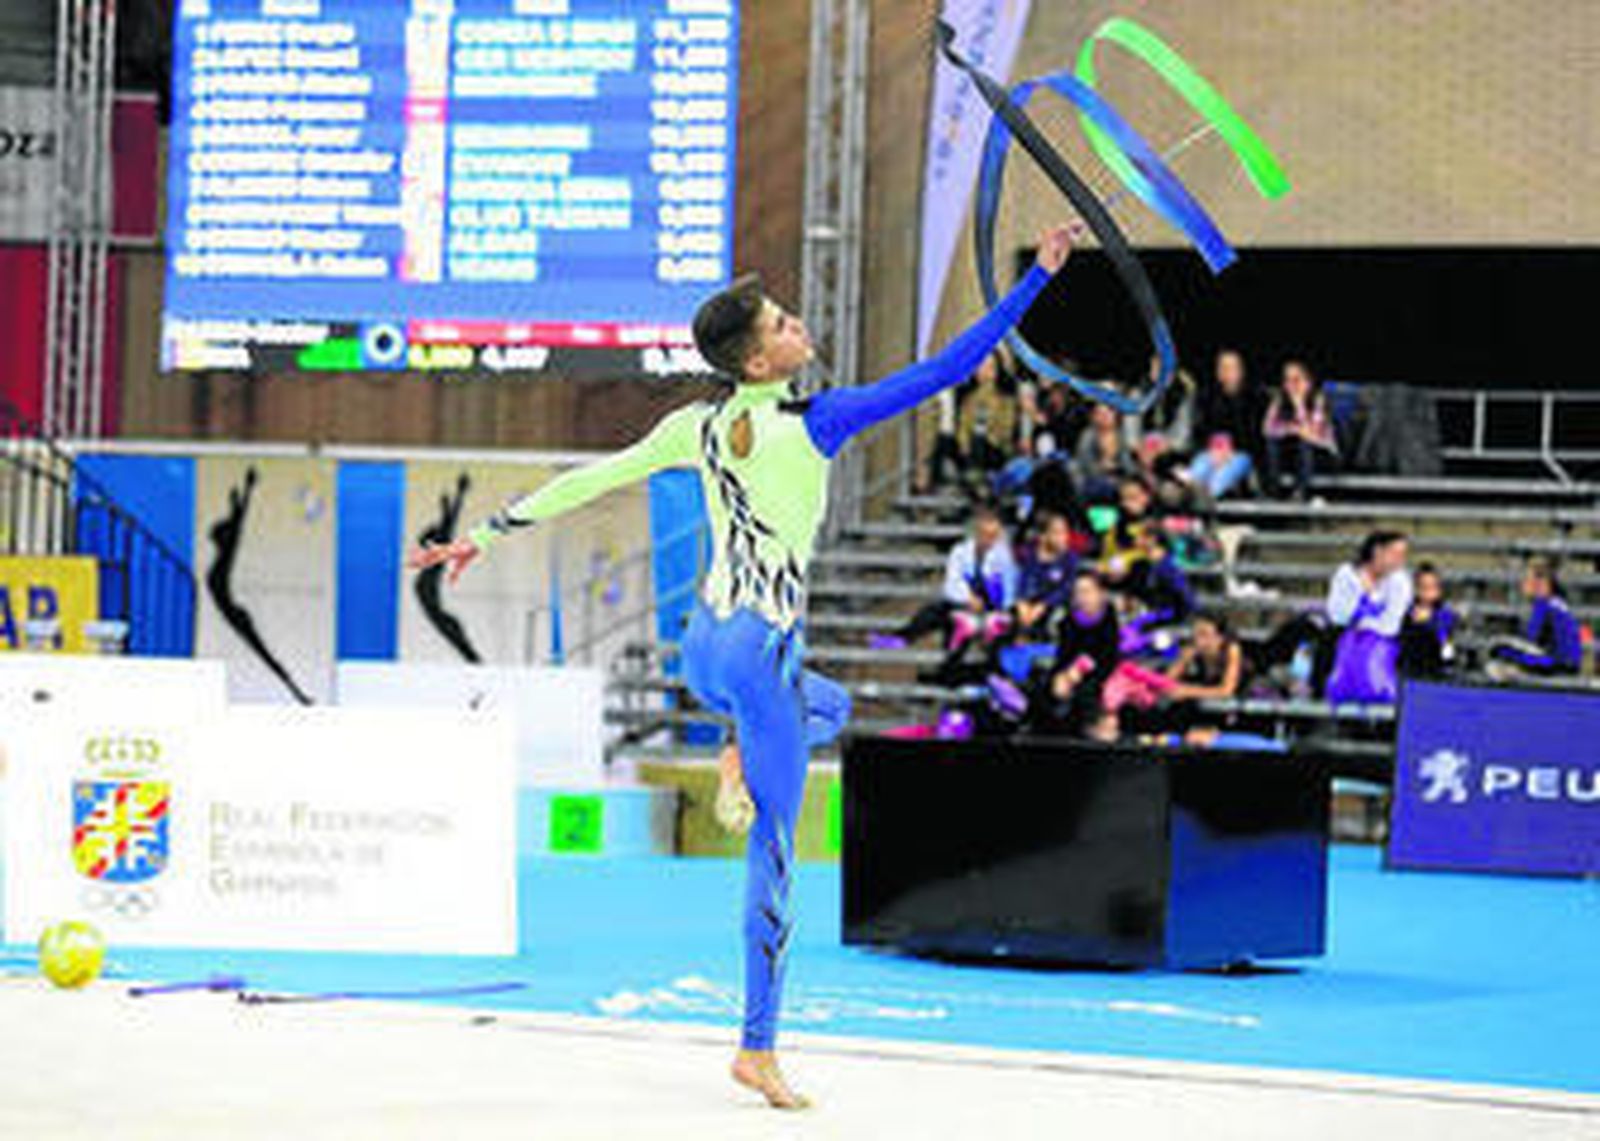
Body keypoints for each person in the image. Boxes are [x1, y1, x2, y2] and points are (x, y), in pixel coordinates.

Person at [410, 225, 1075, 1110]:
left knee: (824, 708)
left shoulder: (698, 423)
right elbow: (942, 371)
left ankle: (739, 752)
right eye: (785, 323)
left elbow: (596, 476)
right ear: (761, 362)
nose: (800, 325)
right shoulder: (816, 420)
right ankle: (757, 1048)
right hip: (761, 658)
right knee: (774, 850)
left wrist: (486, 534)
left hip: (706, 651)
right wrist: (1037, 280)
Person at [871, 502, 1018, 680]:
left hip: (994, 610)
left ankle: (953, 673)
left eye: (993, 532)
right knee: (938, 611)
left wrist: (991, 602)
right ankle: (903, 638)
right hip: (965, 606)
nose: (988, 537)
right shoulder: (960, 552)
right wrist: (968, 598)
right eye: (984, 532)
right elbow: (951, 585)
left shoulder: (1005, 556)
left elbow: (1009, 589)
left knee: (974, 627)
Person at [1027, 569, 1121, 737]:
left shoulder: (1109, 618)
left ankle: (1094, 730)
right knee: (1045, 686)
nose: (1081, 597)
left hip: (1101, 671)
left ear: (1100, 594)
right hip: (1071, 670)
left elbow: (1108, 657)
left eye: (1087, 592)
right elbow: (1063, 656)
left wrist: (1080, 670)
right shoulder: (1068, 620)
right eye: (1077, 592)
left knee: (1088, 692)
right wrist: (1061, 676)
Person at [1324, 530, 1413, 703]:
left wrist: (1364, 622)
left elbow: (1391, 623)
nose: (1400, 560)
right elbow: (1336, 613)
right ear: (1378, 552)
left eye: (1403, 555)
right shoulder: (1346, 574)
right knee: (1328, 637)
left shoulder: (1400, 580)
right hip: (1345, 634)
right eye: (1395, 554)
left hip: (1383, 638)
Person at [1487, 557, 1583, 679]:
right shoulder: (1556, 603)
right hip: (1563, 663)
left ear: (1540, 582)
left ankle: (1516, 673)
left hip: (1557, 664)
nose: (1523, 584)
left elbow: (1532, 640)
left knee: (1498, 645)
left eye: (1527, 579)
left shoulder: (1546, 606)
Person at [1186, 349, 1262, 500]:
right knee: (1199, 468)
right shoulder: (1207, 397)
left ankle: (1205, 497)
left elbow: (1255, 435)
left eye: (1231, 367)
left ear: (1240, 371)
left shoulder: (1254, 398)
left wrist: (1229, 452)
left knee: (1224, 474)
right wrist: (1213, 451)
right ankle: (1191, 495)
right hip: (1211, 452)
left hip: (1240, 453)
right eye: (1222, 367)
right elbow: (1199, 429)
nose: (1226, 372)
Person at [1262, 359, 1339, 500]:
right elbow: (1267, 429)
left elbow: (1313, 434)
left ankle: (1300, 493)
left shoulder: (1318, 401)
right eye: (1287, 380)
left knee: (1304, 444)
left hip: (1320, 454)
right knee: (1272, 444)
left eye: (1296, 379)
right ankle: (1272, 492)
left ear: (1308, 381)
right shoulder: (1280, 401)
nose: (1291, 385)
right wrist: (1290, 430)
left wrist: (1299, 406)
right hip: (1293, 452)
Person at [1399, 561, 1458, 678]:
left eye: (1433, 587)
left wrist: (1448, 664)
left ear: (1439, 590)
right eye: (1424, 587)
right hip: (1410, 674)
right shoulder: (1408, 614)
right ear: (1416, 589)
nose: (1428, 593)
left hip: (1435, 674)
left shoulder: (1443, 615)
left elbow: (1447, 647)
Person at [1074, 402, 1135, 503]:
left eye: (1108, 413)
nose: (1104, 417)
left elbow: (1128, 465)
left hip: (1119, 480)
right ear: (1093, 417)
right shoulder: (1088, 435)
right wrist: (1102, 468)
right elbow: (1085, 462)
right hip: (1092, 482)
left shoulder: (1122, 435)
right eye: (1100, 413)